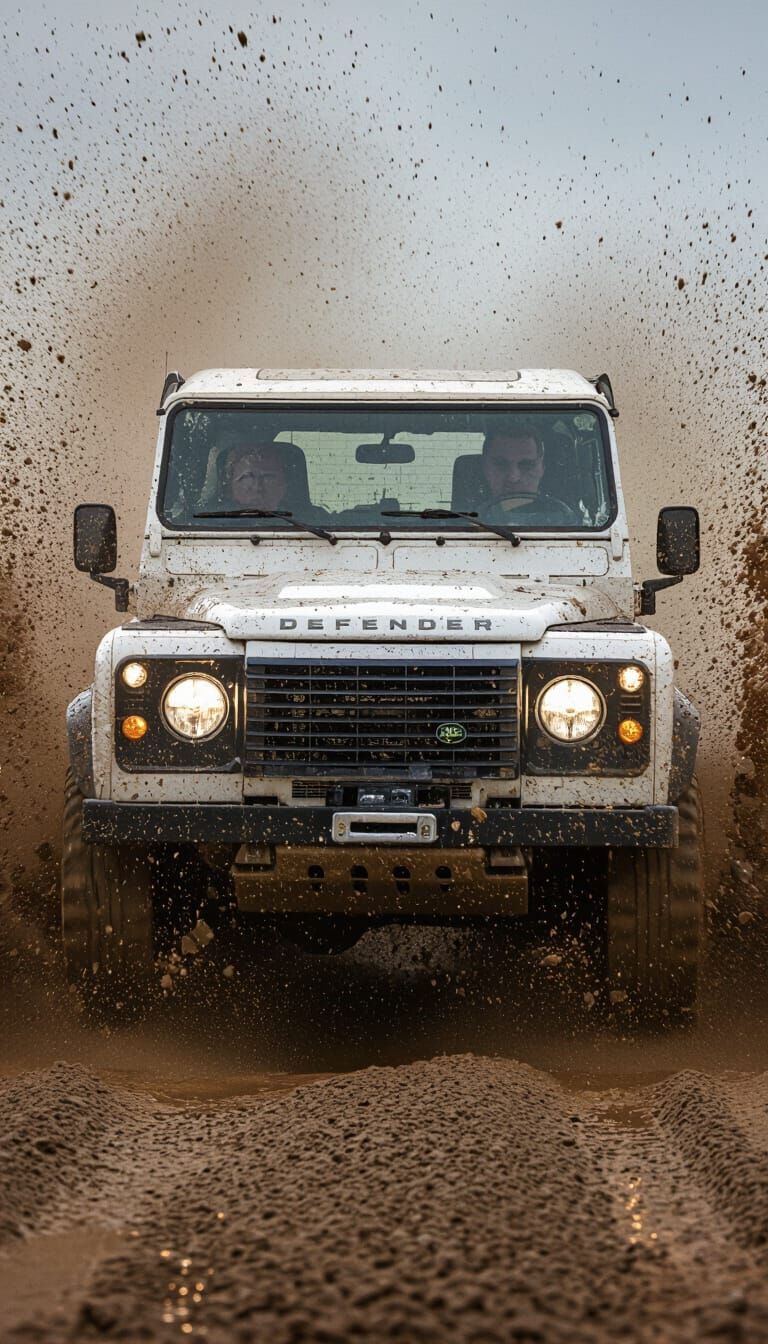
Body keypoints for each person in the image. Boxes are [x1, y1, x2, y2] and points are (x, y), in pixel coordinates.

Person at [478, 430, 578, 525]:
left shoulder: (563, 519)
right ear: (484, 467)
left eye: (527, 465)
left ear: (542, 468)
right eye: (501, 464)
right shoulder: (468, 516)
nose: (513, 477)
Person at [220, 441, 289, 512]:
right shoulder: (214, 517)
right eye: (246, 479)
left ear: (284, 485)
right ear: (230, 488)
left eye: (268, 478)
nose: (257, 488)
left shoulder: (296, 515)